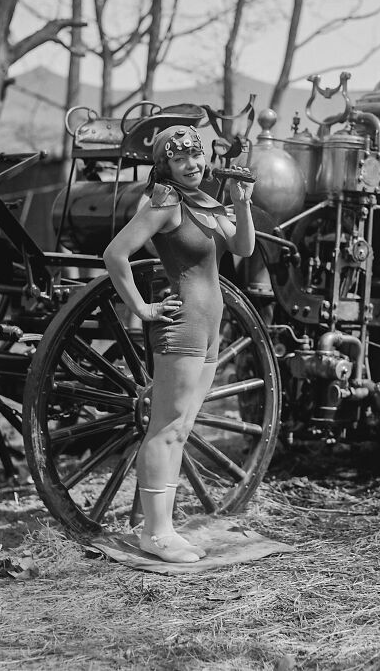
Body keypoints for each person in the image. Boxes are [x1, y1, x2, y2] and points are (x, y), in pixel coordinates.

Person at [103, 125, 255, 563]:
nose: (192, 163)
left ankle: (163, 529)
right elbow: (116, 254)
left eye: (197, 154)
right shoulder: (165, 202)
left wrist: (242, 203)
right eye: (181, 157)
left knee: (182, 430)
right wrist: (143, 309)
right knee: (166, 428)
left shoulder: (206, 203)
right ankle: (154, 533)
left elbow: (242, 246)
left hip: (210, 329)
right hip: (183, 328)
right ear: (165, 164)